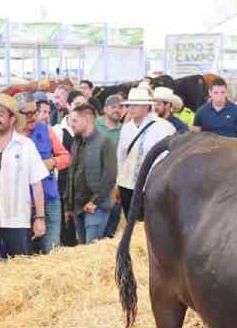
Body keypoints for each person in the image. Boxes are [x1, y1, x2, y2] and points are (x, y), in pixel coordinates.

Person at [0, 94, 48, 267]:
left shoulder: (26, 145)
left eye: (0, 114)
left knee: (21, 270)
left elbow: (37, 184)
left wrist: (40, 218)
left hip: (17, 221)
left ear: (12, 119)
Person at [117, 86, 176, 218]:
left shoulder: (164, 127)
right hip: (126, 184)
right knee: (131, 221)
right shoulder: (126, 128)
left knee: (150, 222)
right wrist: (118, 181)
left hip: (151, 185)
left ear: (146, 106)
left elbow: (168, 158)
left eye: (136, 105)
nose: (131, 108)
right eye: (130, 105)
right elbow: (120, 157)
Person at [21, 98, 71, 253]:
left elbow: (66, 157)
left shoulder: (47, 130)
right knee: (24, 253)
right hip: (22, 204)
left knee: (52, 251)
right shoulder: (10, 136)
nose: (31, 117)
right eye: (26, 113)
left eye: (34, 112)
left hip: (50, 199)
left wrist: (52, 162)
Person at [65, 101, 118, 245]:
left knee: (91, 249)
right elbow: (71, 174)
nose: (71, 124)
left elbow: (110, 175)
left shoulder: (105, 141)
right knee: (83, 249)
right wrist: (68, 205)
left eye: (75, 120)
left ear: (88, 119)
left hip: (96, 207)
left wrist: (95, 202)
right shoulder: (76, 142)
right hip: (78, 206)